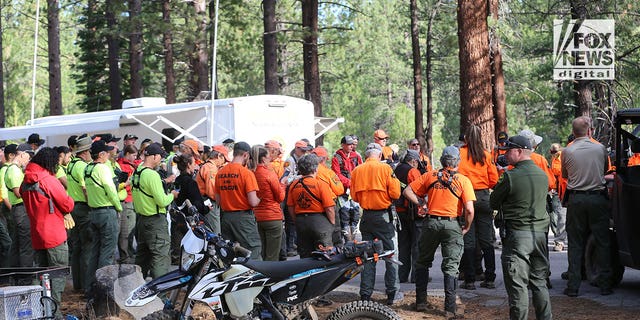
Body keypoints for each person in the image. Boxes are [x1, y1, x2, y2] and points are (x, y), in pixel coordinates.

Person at [403, 146, 475, 316]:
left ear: (443, 160)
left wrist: (421, 203)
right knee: (451, 267)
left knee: (422, 261)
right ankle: (450, 308)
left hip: (431, 223)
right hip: (452, 225)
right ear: (458, 161)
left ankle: (421, 302)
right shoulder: (463, 180)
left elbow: (407, 191)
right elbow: (470, 210)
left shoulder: (430, 175)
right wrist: (467, 226)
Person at [490, 135, 552, 320]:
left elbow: (493, 202)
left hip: (517, 236)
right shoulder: (542, 175)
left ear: (518, 151)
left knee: (518, 285)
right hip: (540, 236)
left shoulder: (510, 176)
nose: (506, 155)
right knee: (539, 282)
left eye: (508, 151)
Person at [20, 147, 75, 316]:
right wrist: (66, 208)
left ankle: (40, 313)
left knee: (41, 277)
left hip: (37, 235)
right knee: (57, 276)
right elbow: (67, 203)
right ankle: (55, 315)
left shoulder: (26, 179)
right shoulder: (47, 179)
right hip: (54, 235)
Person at [562, 116, 612, 296]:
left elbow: (565, 174)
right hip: (598, 198)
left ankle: (573, 286)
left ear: (573, 132)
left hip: (576, 199)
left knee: (575, 242)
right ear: (589, 130)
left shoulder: (567, 151)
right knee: (602, 241)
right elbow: (605, 170)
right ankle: (605, 284)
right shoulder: (600, 148)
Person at [350, 143, 401, 305]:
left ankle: (365, 294)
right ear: (379, 156)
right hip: (383, 217)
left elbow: (355, 197)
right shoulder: (386, 169)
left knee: (367, 256)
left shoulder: (357, 170)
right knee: (390, 254)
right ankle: (393, 294)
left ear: (366, 156)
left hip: (366, 218)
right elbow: (396, 193)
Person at [457, 125, 499, 290]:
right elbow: (493, 180)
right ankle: (489, 279)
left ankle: (469, 280)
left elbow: (456, 176)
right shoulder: (486, 155)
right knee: (486, 240)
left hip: (466, 197)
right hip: (483, 197)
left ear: (466, 138)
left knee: (468, 240)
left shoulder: (460, 154)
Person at [132, 143, 177, 279]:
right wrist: (172, 195)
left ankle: (136, 289)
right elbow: (162, 201)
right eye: (160, 158)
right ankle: (160, 295)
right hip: (155, 221)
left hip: (141, 220)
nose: (160, 161)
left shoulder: (137, 172)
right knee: (160, 258)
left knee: (142, 259)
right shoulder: (152, 175)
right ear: (154, 156)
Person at [84, 140, 123, 291]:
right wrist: (118, 207)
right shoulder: (102, 168)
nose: (108, 154)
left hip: (94, 212)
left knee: (95, 252)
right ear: (101, 154)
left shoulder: (88, 168)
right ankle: (103, 290)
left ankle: (90, 288)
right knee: (107, 253)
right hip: (106, 212)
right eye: (106, 152)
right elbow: (111, 191)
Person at [215, 141, 262, 260]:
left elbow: (218, 200)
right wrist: (260, 199)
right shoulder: (246, 174)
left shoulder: (220, 173)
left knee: (230, 252)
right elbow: (252, 202)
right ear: (245, 155)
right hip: (243, 218)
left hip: (226, 218)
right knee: (252, 251)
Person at [287, 154, 336, 258]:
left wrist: (297, 221)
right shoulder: (320, 184)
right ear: (315, 168)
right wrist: (332, 223)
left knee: (305, 256)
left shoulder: (294, 185)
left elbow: (290, 207)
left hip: (301, 222)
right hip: (319, 222)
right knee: (324, 255)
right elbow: (329, 208)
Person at [65, 136, 93, 291]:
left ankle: (77, 283)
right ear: (86, 151)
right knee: (87, 247)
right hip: (84, 208)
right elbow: (85, 189)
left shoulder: (71, 164)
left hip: (73, 208)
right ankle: (86, 285)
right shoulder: (82, 166)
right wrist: (93, 204)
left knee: (77, 248)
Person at [394, 150, 423, 283]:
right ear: (414, 161)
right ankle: (417, 276)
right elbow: (419, 190)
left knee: (403, 245)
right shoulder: (413, 171)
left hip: (399, 211)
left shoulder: (396, 169)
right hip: (413, 213)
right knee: (417, 244)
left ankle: (402, 275)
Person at [253, 145, 286, 261]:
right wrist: (283, 184)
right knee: (272, 256)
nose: (270, 159)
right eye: (268, 157)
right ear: (263, 159)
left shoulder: (251, 173)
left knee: (261, 253)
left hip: (257, 217)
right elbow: (280, 197)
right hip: (272, 216)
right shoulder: (269, 174)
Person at [5, 143, 34, 267]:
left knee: (16, 245)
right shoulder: (15, 170)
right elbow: (18, 193)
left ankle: (15, 276)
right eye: (28, 157)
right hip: (21, 210)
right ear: (22, 154)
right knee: (26, 246)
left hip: (17, 211)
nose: (29, 160)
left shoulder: (12, 169)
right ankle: (25, 278)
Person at [311, 146, 344, 247]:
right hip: (330, 204)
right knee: (335, 229)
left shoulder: (307, 171)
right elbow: (339, 190)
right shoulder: (328, 172)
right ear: (324, 159)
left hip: (313, 206)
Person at [331, 135, 361, 242]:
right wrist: (349, 183)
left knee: (355, 215)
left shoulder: (356, 157)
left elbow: (360, 170)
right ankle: (348, 241)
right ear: (342, 145)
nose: (350, 146)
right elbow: (336, 175)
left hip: (354, 191)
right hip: (343, 192)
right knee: (344, 215)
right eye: (348, 144)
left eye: (352, 144)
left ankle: (354, 240)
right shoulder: (336, 158)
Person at [196, 144, 228, 234]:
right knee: (215, 232)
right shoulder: (211, 169)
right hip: (210, 203)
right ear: (219, 156)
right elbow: (212, 192)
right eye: (224, 159)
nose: (224, 162)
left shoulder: (207, 166)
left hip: (205, 201)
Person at [116, 144, 138, 263]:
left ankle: (127, 253)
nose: (135, 157)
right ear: (128, 154)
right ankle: (126, 255)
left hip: (129, 199)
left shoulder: (124, 165)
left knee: (129, 230)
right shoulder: (123, 167)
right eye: (134, 155)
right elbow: (125, 184)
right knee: (127, 230)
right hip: (127, 200)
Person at [549, 143, 567, 251]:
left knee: (561, 216)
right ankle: (559, 241)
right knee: (559, 215)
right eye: (551, 152)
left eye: (554, 151)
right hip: (559, 190)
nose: (553, 154)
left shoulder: (561, 157)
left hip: (565, 190)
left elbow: (558, 172)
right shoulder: (555, 159)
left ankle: (560, 241)